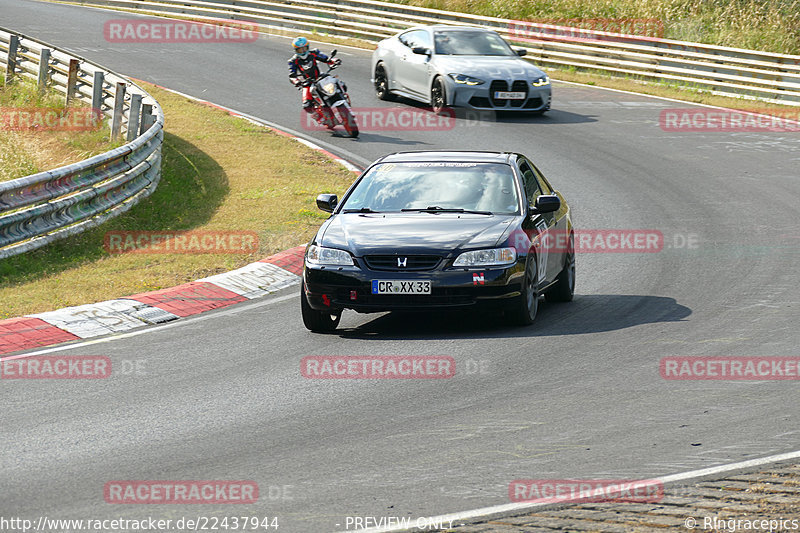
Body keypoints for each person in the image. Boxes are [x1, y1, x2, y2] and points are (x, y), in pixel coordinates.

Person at [288, 37, 341, 121]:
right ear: (295, 50)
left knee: (338, 83)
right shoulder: (293, 61)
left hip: (320, 77)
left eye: (304, 49)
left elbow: (326, 59)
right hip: (307, 83)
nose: (303, 52)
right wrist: (297, 82)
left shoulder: (313, 53)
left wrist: (334, 60)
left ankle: (343, 96)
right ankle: (317, 115)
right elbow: (292, 75)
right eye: (300, 50)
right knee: (307, 105)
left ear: (308, 47)